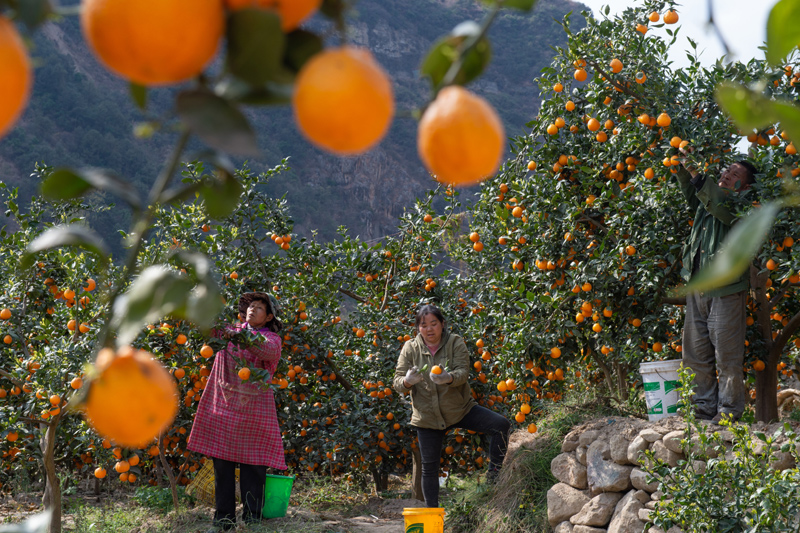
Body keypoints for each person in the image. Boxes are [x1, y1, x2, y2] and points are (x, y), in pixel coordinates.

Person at [393, 304, 511, 508]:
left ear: (442, 324)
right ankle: (433, 515)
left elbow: (463, 373)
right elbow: (396, 382)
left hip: (460, 409)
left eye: (433, 323)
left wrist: (449, 378)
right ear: (417, 328)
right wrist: (407, 381)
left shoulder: (455, 342)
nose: (429, 329)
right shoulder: (410, 348)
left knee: (501, 425)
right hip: (427, 417)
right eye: (424, 325)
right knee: (429, 468)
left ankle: (494, 479)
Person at [188, 292, 286, 531]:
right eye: (251, 306)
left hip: (254, 413)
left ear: (269, 317)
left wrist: (242, 335)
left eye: (260, 308)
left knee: (254, 468)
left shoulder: (271, 339)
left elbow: (268, 351)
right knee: (222, 467)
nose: (253, 309)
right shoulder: (227, 332)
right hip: (225, 407)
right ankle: (223, 520)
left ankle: (252, 520)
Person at [676, 156, 757, 422]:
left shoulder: (741, 207)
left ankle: (729, 413)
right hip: (697, 287)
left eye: (734, 175)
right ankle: (702, 409)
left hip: (726, 289)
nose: (726, 175)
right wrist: (679, 164)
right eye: (726, 171)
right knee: (696, 355)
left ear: (744, 188)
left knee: (727, 356)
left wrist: (700, 178)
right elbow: (692, 192)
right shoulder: (706, 199)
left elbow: (723, 210)